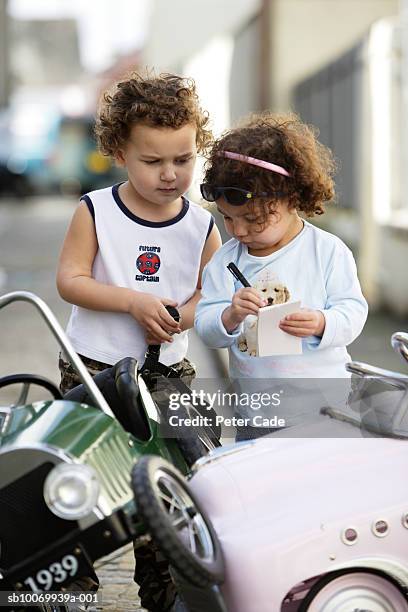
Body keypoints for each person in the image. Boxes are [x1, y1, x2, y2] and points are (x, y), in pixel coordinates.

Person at [56, 70, 221, 611]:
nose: (170, 174)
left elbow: (209, 293)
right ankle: (70, 587)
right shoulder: (97, 209)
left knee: (168, 486)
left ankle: (166, 589)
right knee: (80, 482)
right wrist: (132, 301)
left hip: (168, 375)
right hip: (94, 370)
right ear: (119, 152)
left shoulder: (201, 225)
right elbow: (71, 280)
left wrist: (183, 314)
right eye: (153, 162)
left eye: (183, 159)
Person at [195, 111, 368, 441]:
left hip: (326, 409)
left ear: (290, 198)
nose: (239, 231)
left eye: (252, 219)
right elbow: (207, 328)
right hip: (256, 412)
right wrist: (229, 316)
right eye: (228, 219)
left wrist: (322, 323)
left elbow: (353, 310)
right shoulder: (225, 262)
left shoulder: (327, 251)